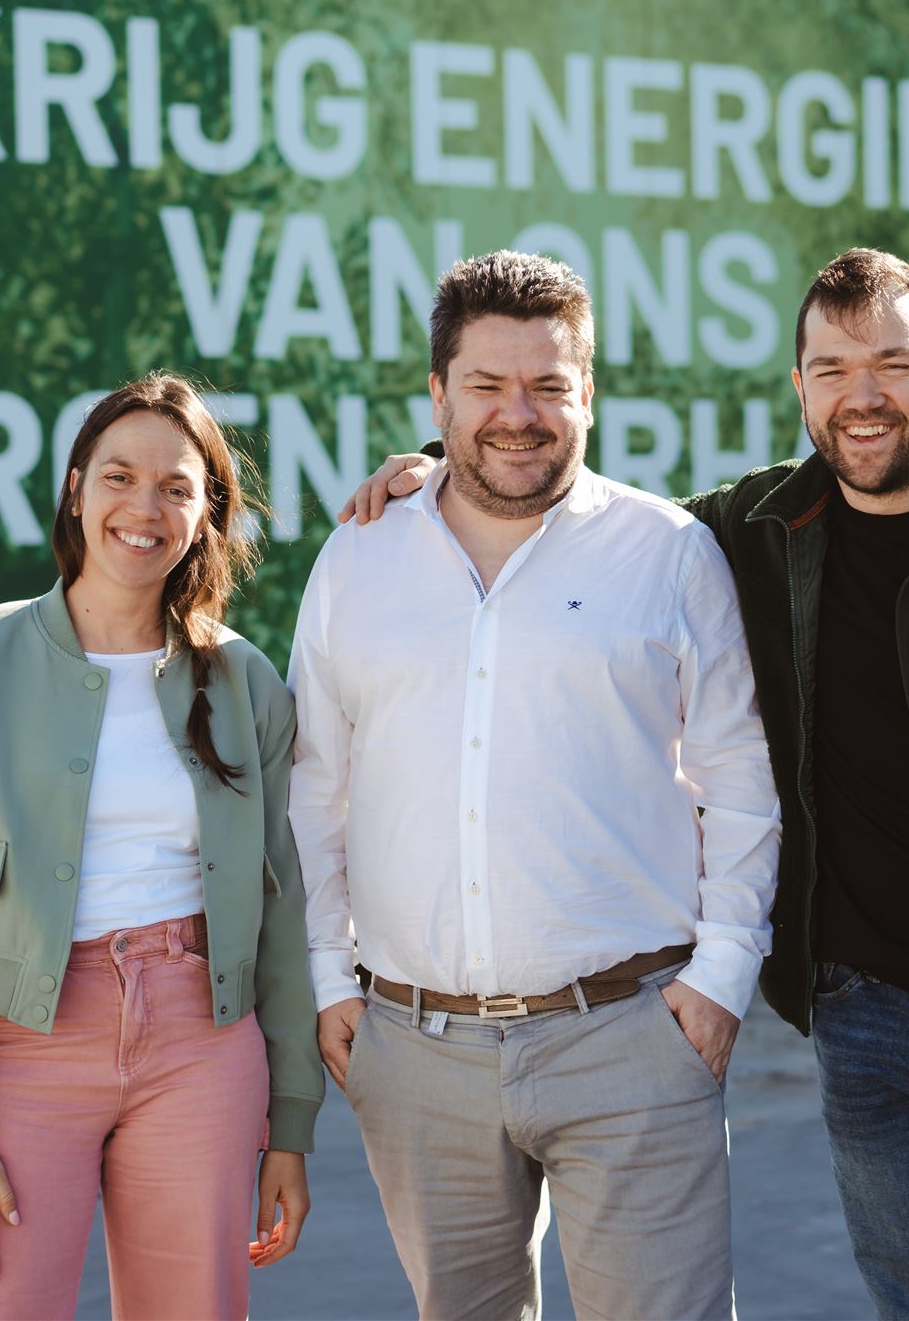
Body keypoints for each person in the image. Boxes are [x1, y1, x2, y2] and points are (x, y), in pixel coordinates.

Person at [341, 248, 909, 1320]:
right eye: (832, 369)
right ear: (800, 388)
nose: (861, 396)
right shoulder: (750, 534)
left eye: (890, 366)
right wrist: (443, 468)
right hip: (869, 1023)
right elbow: (581, 514)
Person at [289, 250, 781, 1320]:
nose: (518, 415)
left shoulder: (667, 552)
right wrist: (330, 978)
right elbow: (315, 791)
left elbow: (740, 777)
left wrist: (721, 975)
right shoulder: (357, 560)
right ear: (438, 396)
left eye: (548, 385)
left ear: (587, 393)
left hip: (631, 1037)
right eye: (486, 385)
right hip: (414, 1051)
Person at [0, 372, 323, 1320]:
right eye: (119, 476)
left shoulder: (246, 683)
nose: (143, 508)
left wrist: (290, 1122)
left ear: (207, 515)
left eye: (176, 487)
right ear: (75, 489)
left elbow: (282, 909)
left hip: (204, 1045)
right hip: (18, 1046)